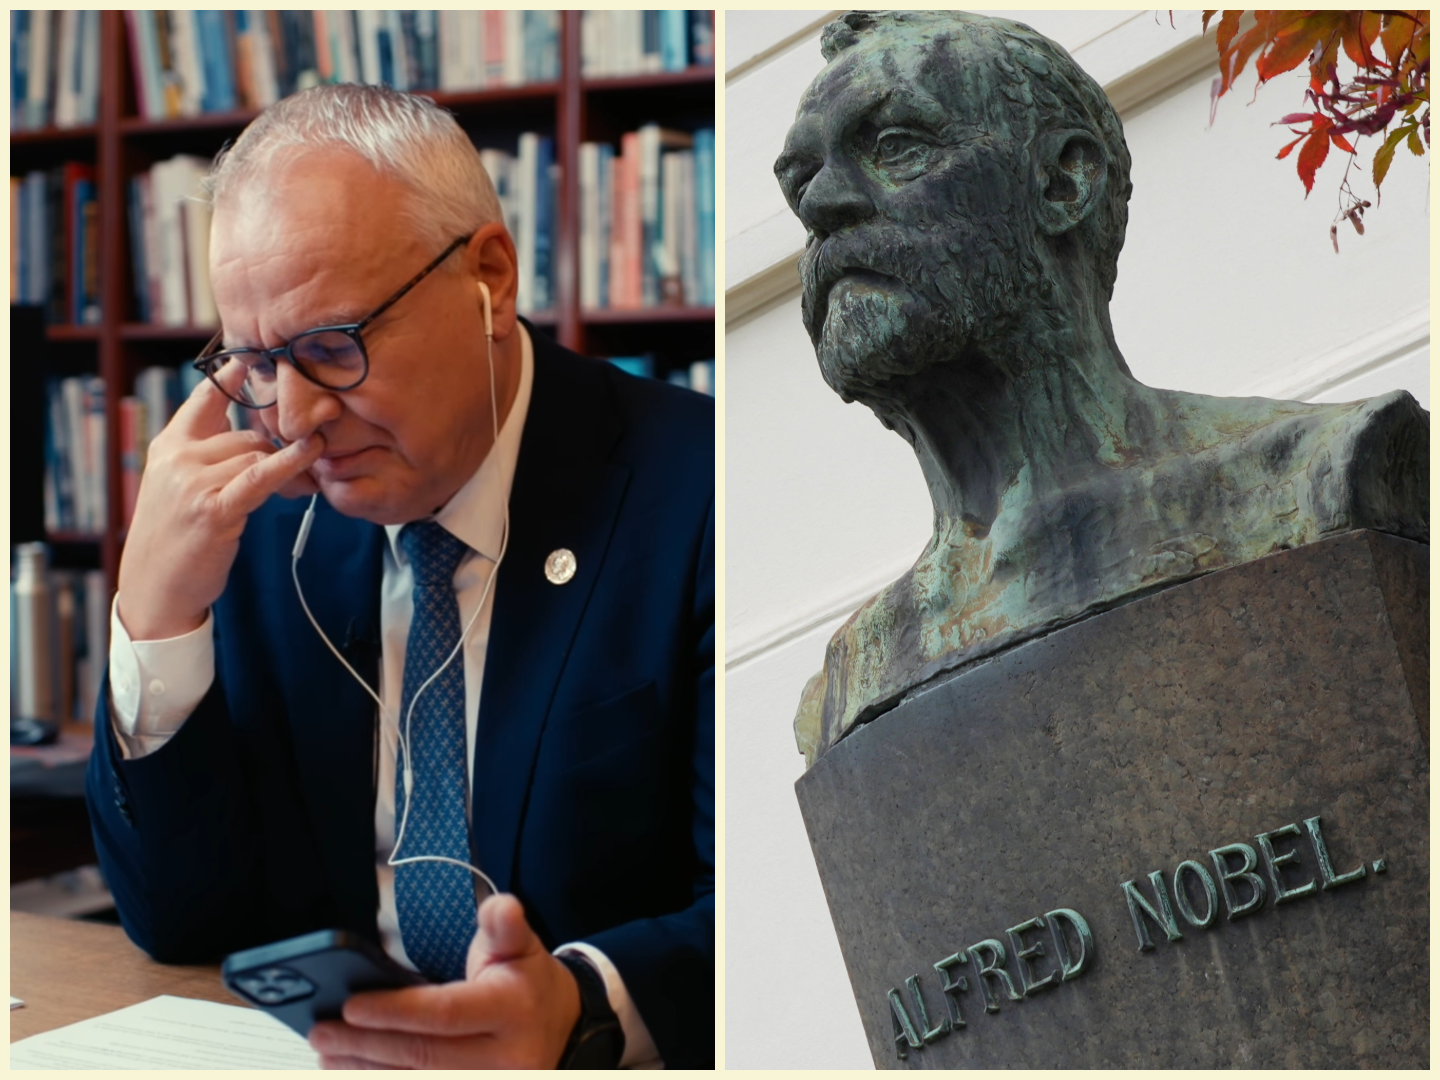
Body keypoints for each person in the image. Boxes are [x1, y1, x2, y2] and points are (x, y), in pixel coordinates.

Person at [85, 84, 713, 1069]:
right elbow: (181, 919)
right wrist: (156, 612)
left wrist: (583, 1006)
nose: (295, 418)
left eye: (332, 346)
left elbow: (767, 901)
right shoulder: (257, 524)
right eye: (257, 364)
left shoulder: (705, 493)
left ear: (489, 279)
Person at [774, 11, 1428, 765]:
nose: (820, 206)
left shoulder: (1322, 477)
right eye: (800, 184)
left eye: (896, 146)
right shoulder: (846, 688)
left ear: (1063, 181)